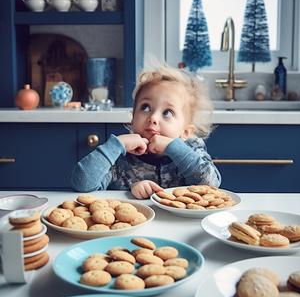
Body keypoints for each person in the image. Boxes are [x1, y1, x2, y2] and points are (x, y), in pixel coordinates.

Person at [71, 65, 221, 198]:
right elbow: (81, 183)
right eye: (145, 107)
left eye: (167, 112)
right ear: (132, 119)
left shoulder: (192, 150)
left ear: (186, 132)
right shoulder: (120, 157)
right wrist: (117, 145)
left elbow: (210, 184)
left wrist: (174, 147)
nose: (153, 118)